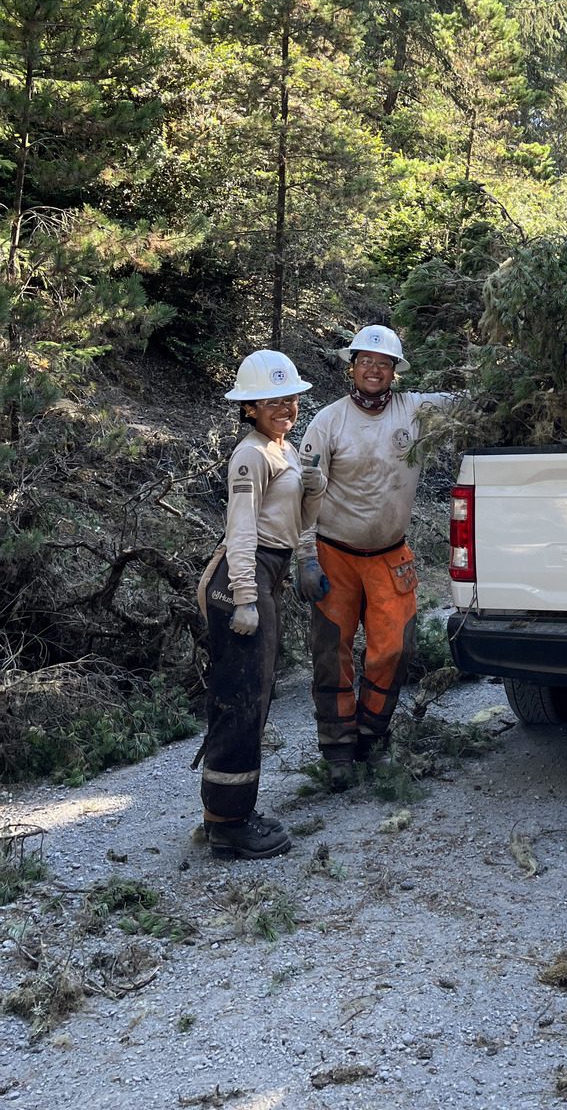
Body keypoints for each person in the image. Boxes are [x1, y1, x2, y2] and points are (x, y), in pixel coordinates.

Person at [296, 325, 453, 784]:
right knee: (331, 652)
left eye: (382, 364)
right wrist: (305, 556)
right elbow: (303, 494)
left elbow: (470, 403)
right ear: (352, 367)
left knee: (392, 650)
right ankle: (338, 750)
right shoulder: (329, 421)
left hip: (389, 556)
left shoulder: (417, 411)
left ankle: (373, 738)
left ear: (394, 373)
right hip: (334, 554)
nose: (373, 369)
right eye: (365, 361)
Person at [197, 351, 326, 860]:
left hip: (266, 572)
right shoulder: (250, 454)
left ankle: (228, 812)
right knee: (242, 698)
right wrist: (247, 600)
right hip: (242, 579)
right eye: (272, 400)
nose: (285, 407)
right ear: (249, 407)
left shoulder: (284, 449)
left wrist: (311, 495)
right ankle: (228, 825)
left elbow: (296, 521)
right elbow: (242, 530)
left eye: (290, 398)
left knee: (255, 695)